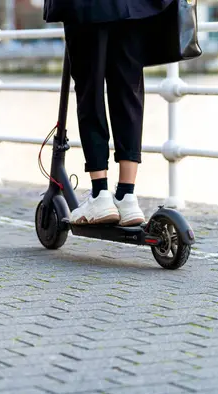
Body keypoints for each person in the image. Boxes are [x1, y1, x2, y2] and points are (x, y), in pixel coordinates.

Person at [43, 0, 173, 227]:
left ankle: (100, 195)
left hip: (89, 8)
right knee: (128, 94)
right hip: (135, 8)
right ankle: (127, 195)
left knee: (90, 94)